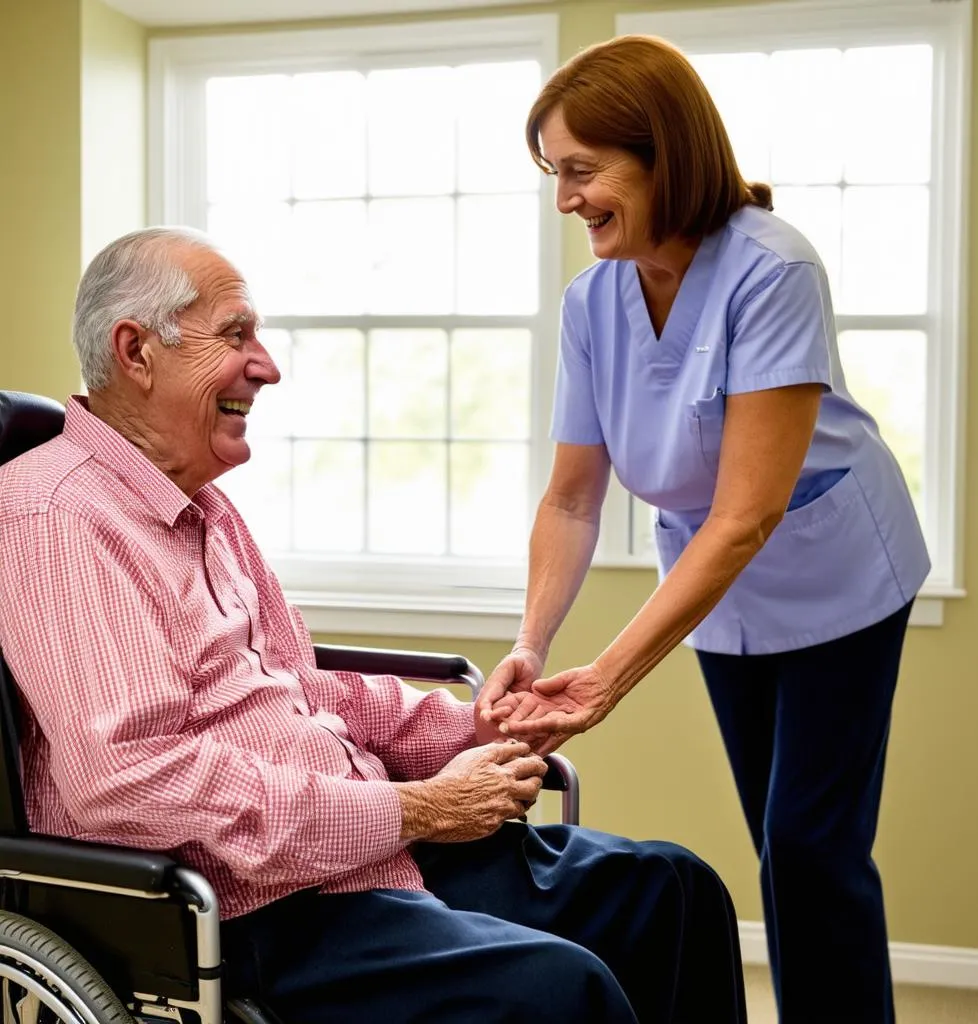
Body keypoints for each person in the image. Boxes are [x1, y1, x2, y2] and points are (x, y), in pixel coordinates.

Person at [0, 227, 747, 1024]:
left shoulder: (204, 508)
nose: (268, 365)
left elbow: (302, 690)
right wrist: (418, 808)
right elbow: (131, 780)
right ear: (137, 351)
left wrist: (474, 727)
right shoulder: (55, 515)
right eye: (235, 334)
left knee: (673, 890)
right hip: (248, 907)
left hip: (360, 847)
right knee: (563, 992)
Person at [478, 35, 930, 1024]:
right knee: (783, 846)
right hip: (718, 591)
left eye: (583, 172)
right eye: (557, 174)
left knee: (814, 847)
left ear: (663, 156)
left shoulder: (771, 269)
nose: (565, 200)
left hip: (834, 572)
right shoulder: (593, 301)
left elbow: (747, 512)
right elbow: (570, 498)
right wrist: (531, 645)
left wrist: (602, 678)